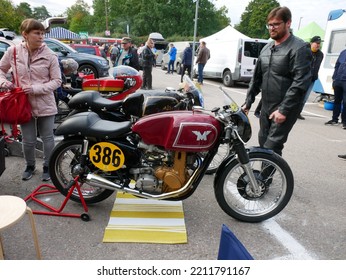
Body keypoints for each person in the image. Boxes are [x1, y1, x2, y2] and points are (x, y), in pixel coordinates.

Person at [242, 6, 312, 156]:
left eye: (276, 24)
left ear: (288, 23)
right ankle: (266, 176)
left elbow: (300, 83)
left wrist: (284, 109)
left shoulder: (299, 48)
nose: (272, 28)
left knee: (272, 145)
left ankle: (263, 179)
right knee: (263, 141)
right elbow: (256, 79)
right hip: (266, 105)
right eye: (269, 25)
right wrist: (248, 102)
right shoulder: (266, 49)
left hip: (285, 106)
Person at [0, 18, 62, 181]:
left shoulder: (50, 55)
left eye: (42, 33)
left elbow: (57, 81)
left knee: (48, 137)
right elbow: (0, 69)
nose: (41, 36)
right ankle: (30, 166)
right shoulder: (13, 52)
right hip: (22, 104)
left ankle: (48, 167)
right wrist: (5, 82)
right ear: (25, 34)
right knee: (28, 140)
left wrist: (36, 88)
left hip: (45, 103)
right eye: (37, 33)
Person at [298, 35, 324, 120]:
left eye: (319, 43)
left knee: (305, 98)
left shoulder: (320, 54)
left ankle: (298, 113)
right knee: (298, 95)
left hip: (312, 79)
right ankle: (291, 112)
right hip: (302, 78)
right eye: (316, 43)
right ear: (311, 43)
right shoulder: (306, 51)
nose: (318, 45)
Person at [324, 48, 346, 129]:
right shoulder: (343, 52)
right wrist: (334, 78)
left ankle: (344, 122)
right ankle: (334, 119)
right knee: (337, 100)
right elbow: (337, 65)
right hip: (338, 80)